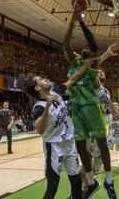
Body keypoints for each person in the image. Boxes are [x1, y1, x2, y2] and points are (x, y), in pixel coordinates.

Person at [63, 3, 119, 199]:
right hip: (75, 108)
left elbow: (93, 44)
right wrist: (72, 18)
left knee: (102, 144)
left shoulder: (93, 63)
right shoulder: (74, 61)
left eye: (89, 49)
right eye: (84, 48)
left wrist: (82, 22)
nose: (86, 48)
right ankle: (91, 181)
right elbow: (65, 42)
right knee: (79, 146)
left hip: (91, 107)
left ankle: (109, 181)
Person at [25, 60, 93, 199]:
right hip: (54, 147)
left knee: (76, 181)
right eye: (41, 79)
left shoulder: (56, 91)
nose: (45, 78)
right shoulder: (39, 107)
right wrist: (48, 106)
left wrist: (87, 65)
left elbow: (73, 78)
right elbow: (39, 129)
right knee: (53, 185)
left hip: (69, 143)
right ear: (38, 88)